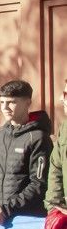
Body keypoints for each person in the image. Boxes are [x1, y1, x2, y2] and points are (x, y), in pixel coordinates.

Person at [0, 79, 50, 226]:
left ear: (28, 102)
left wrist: (7, 209)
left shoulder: (38, 137)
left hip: (27, 220)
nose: (5, 107)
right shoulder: (0, 134)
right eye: (2, 102)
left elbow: (38, 184)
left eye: (11, 102)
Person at [46, 80, 67, 215]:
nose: (61, 98)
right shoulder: (65, 128)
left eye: (65, 94)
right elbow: (56, 167)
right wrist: (54, 207)